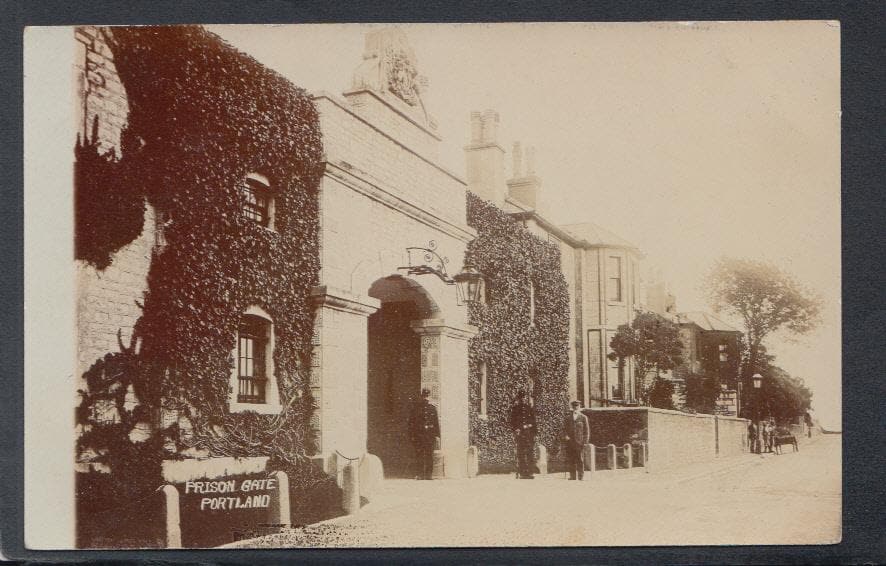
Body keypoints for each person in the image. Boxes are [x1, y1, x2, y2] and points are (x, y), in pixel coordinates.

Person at [408, 388, 440, 480]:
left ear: (429, 396)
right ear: (422, 396)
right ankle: (420, 474)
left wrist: (437, 436)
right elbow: (411, 423)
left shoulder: (432, 408)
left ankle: (429, 475)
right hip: (419, 435)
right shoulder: (416, 408)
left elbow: (436, 423)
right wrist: (412, 436)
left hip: (430, 436)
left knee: (429, 455)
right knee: (420, 454)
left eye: (427, 396)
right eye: (424, 396)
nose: (426, 398)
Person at [509, 389, 537, 479]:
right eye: (521, 398)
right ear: (518, 399)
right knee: (520, 453)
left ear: (526, 398)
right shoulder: (515, 409)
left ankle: (530, 472)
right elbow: (512, 421)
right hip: (520, 434)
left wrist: (534, 432)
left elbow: (534, 421)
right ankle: (522, 473)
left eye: (524, 397)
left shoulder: (529, 408)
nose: (523, 399)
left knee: (530, 452)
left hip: (529, 434)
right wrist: (516, 429)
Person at [563, 400, 589, 480]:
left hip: (579, 442)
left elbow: (586, 431)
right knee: (571, 459)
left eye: (577, 406)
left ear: (579, 407)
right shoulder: (568, 418)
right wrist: (565, 436)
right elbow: (564, 429)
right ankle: (572, 476)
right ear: (572, 407)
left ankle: (581, 476)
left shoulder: (583, 417)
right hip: (570, 442)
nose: (575, 408)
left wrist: (585, 442)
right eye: (574, 406)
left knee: (580, 459)